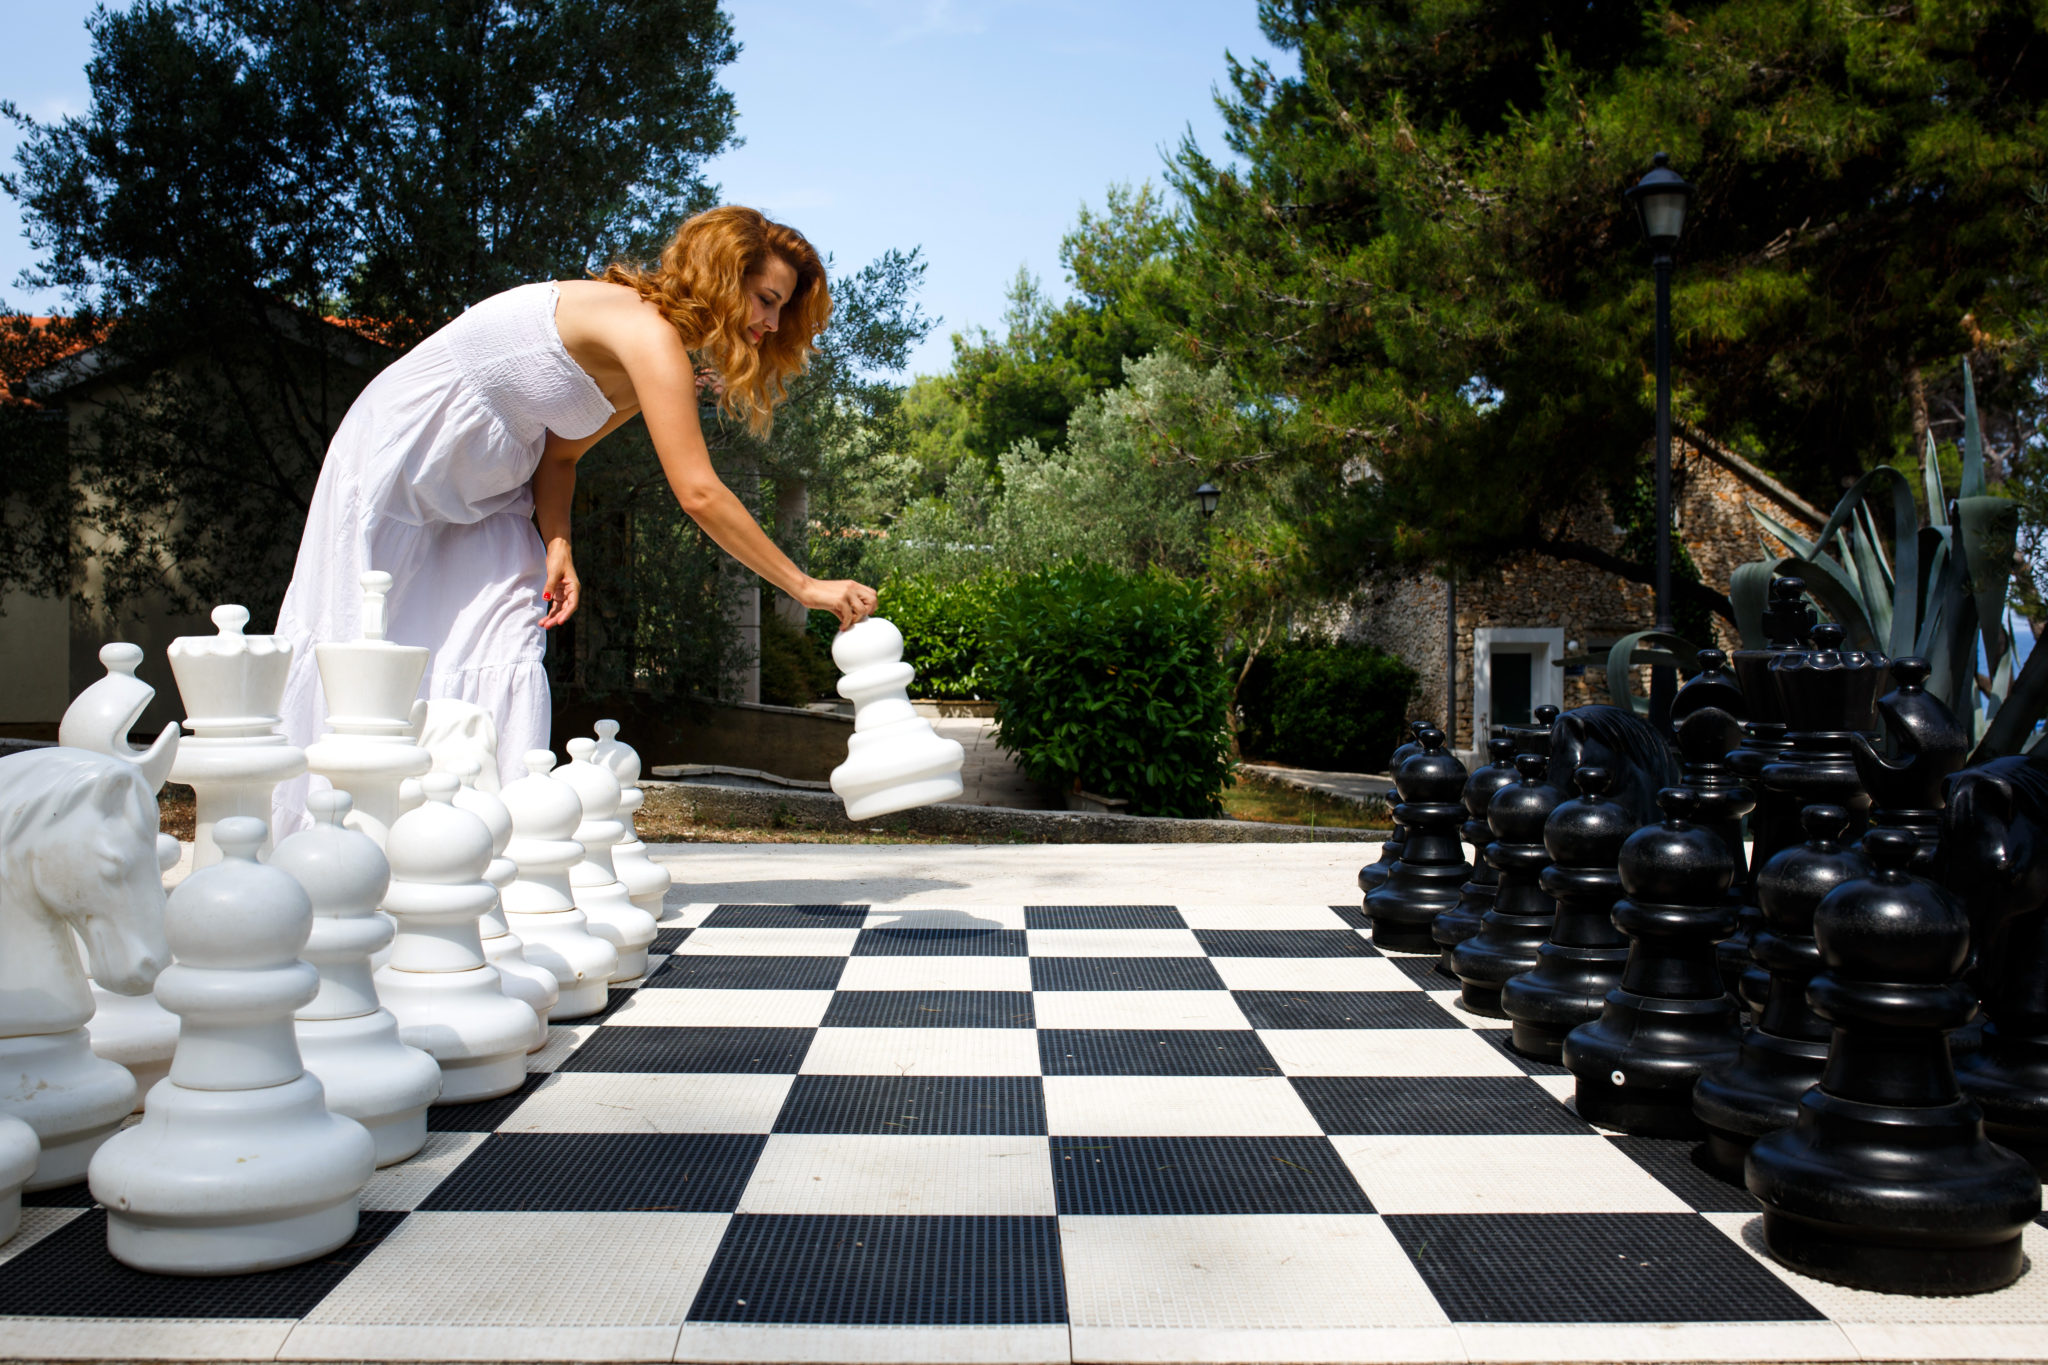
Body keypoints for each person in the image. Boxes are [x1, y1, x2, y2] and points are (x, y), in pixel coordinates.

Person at [271, 206, 876, 828]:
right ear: (724, 276)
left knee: (506, 634)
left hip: (494, 484)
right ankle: (320, 835)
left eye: (782, 311)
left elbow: (561, 453)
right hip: (404, 451)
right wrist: (805, 586)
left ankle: (486, 840)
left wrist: (557, 543)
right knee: (355, 635)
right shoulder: (646, 333)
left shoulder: (656, 349)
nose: (771, 324)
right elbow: (698, 491)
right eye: (766, 300)